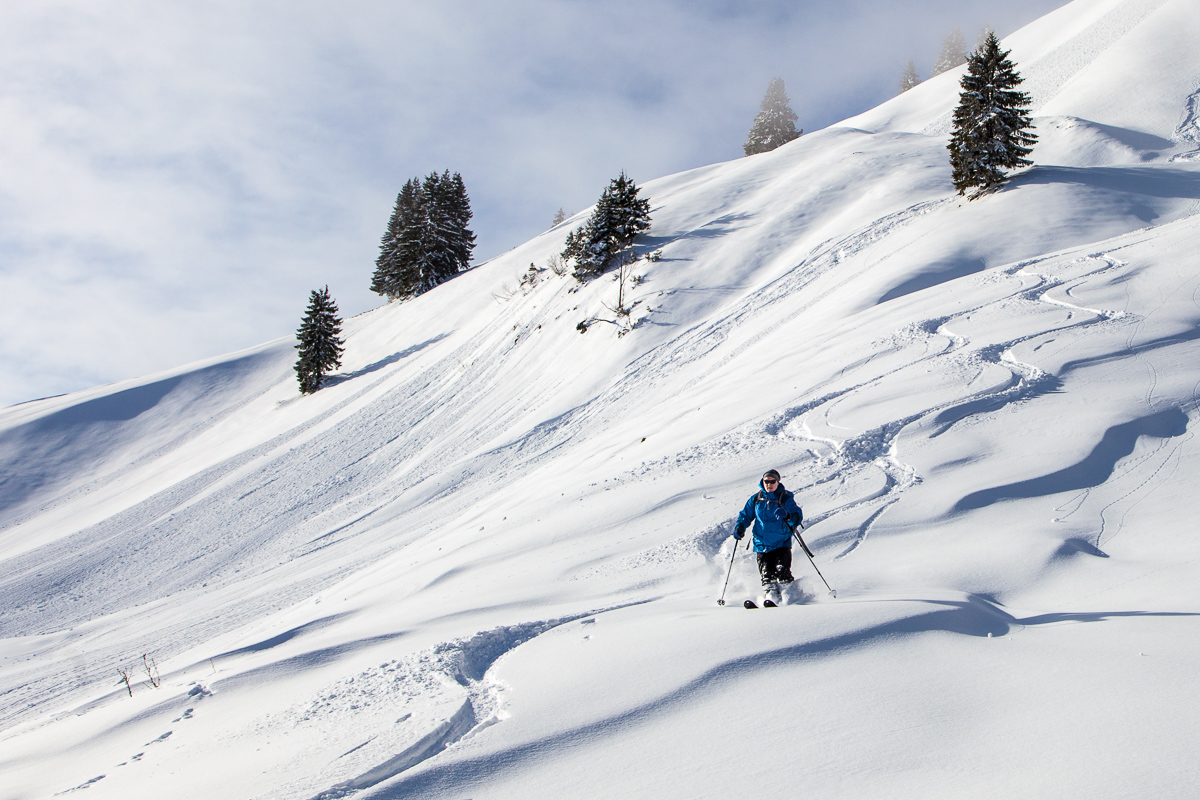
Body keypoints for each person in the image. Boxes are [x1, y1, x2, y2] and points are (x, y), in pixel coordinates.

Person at [734, 469, 803, 606]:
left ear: (778, 482)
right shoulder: (757, 498)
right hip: (761, 543)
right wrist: (740, 526)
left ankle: (790, 596)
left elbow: (797, 516)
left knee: (782, 571)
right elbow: (745, 515)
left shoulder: (784, 498)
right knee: (767, 576)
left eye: (772, 481)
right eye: (767, 481)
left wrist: (787, 515)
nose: (769, 484)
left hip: (781, 542)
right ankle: (771, 597)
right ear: (763, 482)